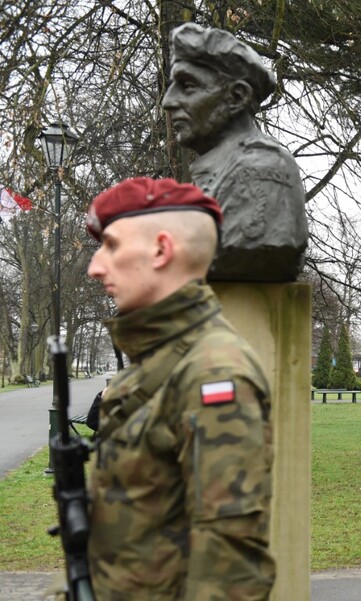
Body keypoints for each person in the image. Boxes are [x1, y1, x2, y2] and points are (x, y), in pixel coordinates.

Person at [85, 177, 275, 599]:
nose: (95, 267)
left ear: (161, 250)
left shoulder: (213, 372)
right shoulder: (159, 361)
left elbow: (230, 574)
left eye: (111, 245)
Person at [163, 22, 307, 282]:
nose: (168, 101)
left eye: (188, 86)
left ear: (237, 96)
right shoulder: (214, 171)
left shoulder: (262, 168)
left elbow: (260, 244)